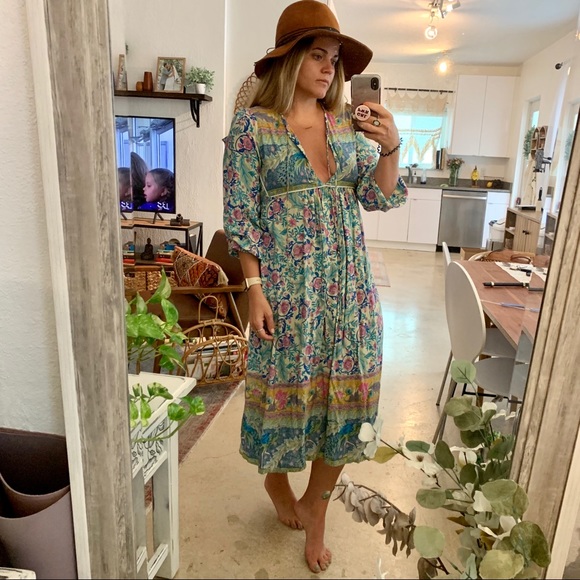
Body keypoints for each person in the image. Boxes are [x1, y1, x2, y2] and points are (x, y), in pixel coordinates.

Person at [222, 0, 407, 574]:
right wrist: (254, 287)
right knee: (287, 395)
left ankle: (317, 509)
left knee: (351, 402)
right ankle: (277, 482)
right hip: (288, 294)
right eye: (317, 55)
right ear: (289, 60)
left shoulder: (348, 126)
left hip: (351, 294)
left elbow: (378, 196)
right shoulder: (253, 127)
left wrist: (392, 146)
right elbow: (241, 214)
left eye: (335, 59)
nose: (330, 68)